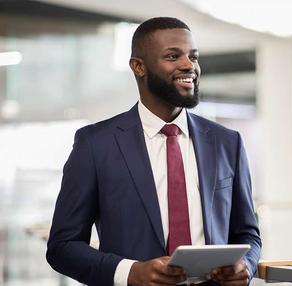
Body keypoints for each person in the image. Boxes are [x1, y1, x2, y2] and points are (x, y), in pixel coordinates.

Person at [46, 17, 261, 286]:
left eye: (193, 56)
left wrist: (247, 265)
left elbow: (248, 235)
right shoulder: (95, 144)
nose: (189, 65)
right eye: (173, 56)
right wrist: (131, 272)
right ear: (139, 67)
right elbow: (62, 246)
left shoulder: (227, 142)